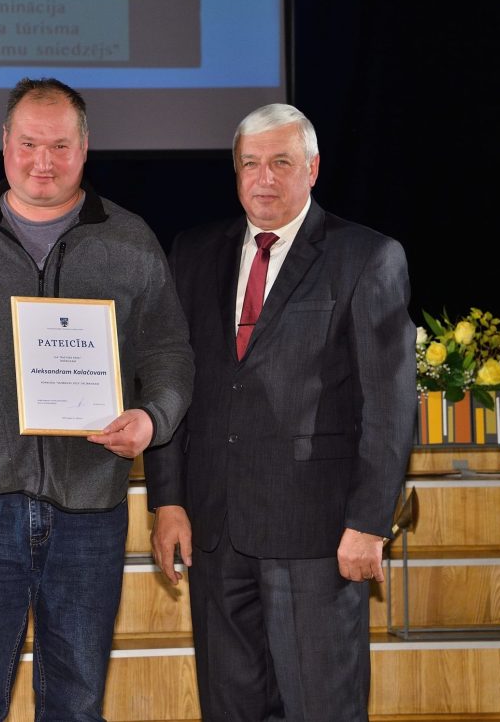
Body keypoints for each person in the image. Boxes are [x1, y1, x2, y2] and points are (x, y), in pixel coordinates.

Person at [0, 77, 193, 721]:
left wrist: (152, 419)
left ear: (85, 148)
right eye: (29, 144)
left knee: (77, 708)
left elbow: (169, 355)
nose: (43, 162)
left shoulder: (130, 240)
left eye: (60, 146)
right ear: (4, 144)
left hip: (90, 511)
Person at [144, 104, 416, 722]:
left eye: (281, 163)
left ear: (312, 169)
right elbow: (169, 380)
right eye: (250, 164)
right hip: (215, 533)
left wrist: (370, 522)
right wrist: (169, 501)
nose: (264, 178)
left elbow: (389, 403)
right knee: (230, 709)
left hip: (318, 537)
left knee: (323, 708)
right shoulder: (193, 252)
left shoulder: (367, 256)